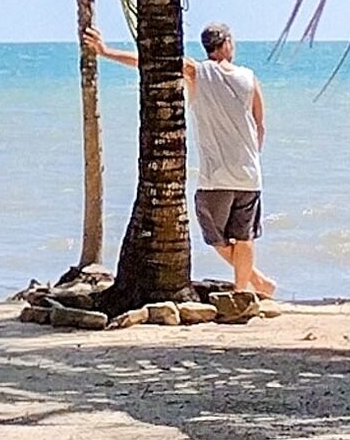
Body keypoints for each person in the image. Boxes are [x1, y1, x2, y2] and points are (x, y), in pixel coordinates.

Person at [89, 21, 271, 300]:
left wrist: (105, 52)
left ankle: (255, 282)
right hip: (249, 174)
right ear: (226, 44)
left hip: (216, 176)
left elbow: (149, 63)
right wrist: (252, 156)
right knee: (244, 236)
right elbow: (260, 125)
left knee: (215, 238)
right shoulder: (249, 78)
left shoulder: (196, 71)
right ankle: (243, 289)